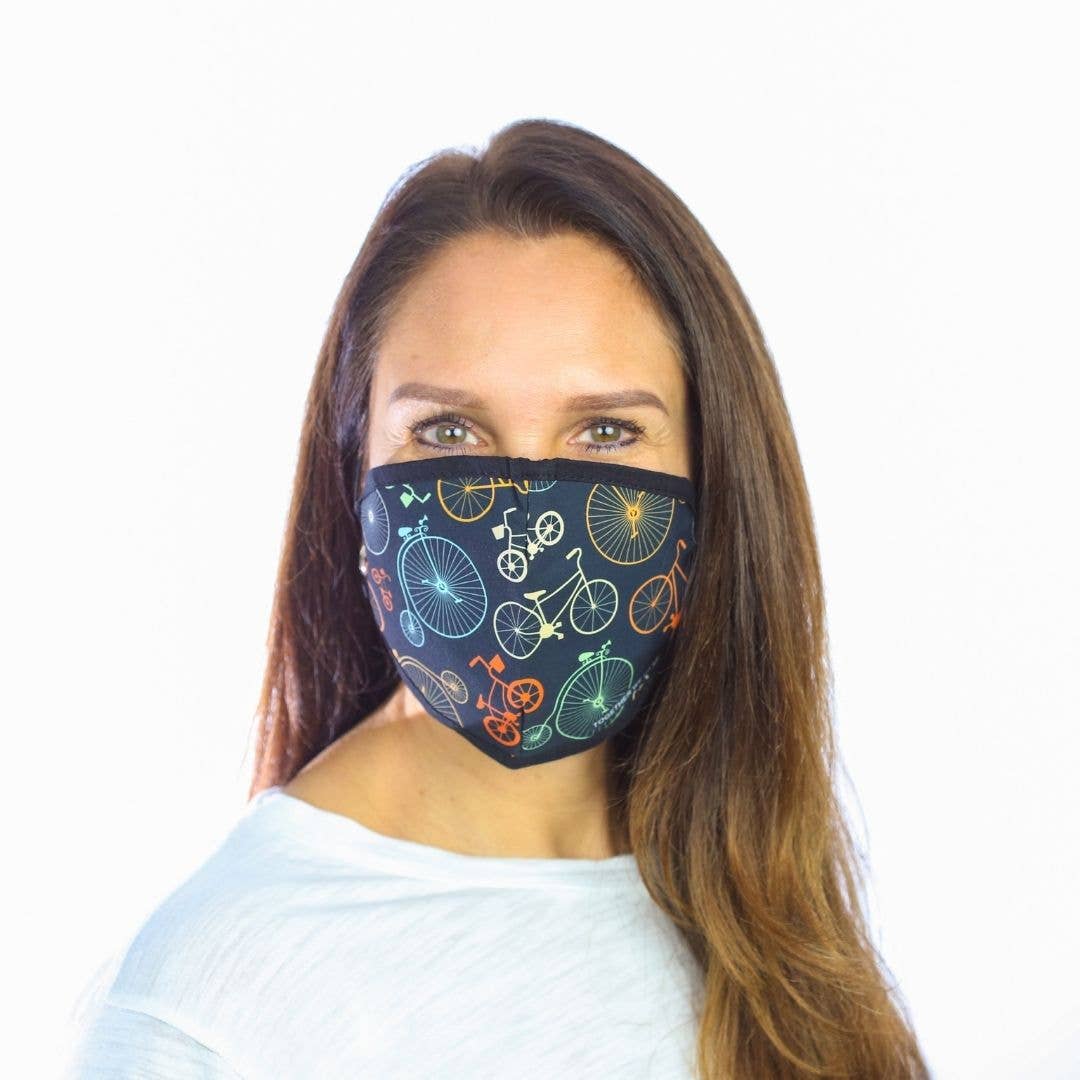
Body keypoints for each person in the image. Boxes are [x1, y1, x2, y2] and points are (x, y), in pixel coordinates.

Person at [64, 119, 930, 1079]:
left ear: (713, 471)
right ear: (354, 464)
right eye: (448, 432)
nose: (527, 518)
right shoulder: (214, 1004)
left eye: (606, 432)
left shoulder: (762, 910)